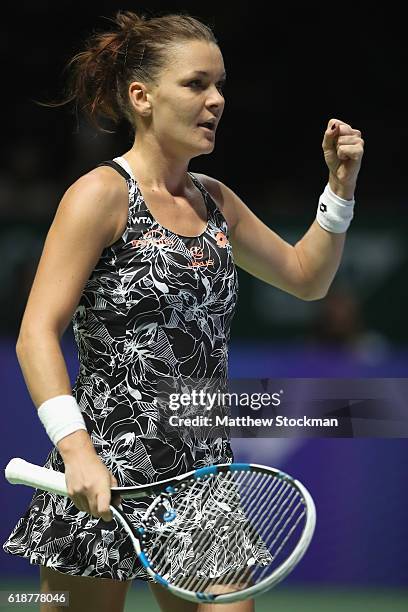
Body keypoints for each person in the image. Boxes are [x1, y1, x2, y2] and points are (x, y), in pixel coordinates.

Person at [3, 10, 364, 612]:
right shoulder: (100, 196)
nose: (216, 100)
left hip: (201, 474)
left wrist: (340, 191)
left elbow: (307, 279)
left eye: (220, 85)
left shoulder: (216, 199)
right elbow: (35, 334)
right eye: (196, 84)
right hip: (105, 466)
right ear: (142, 98)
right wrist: (76, 451)